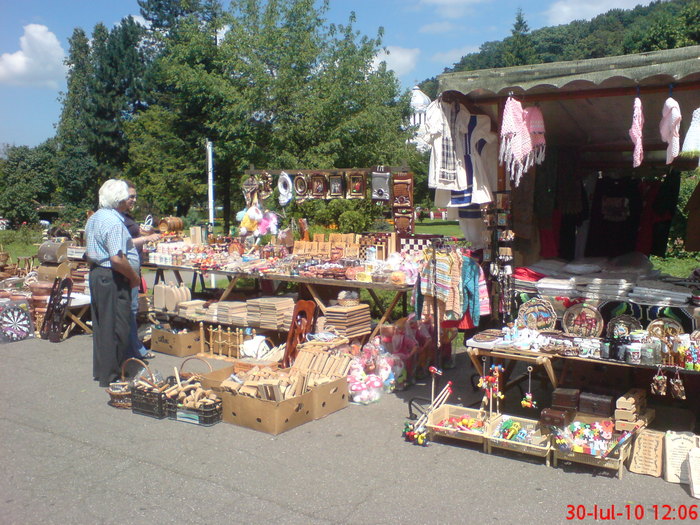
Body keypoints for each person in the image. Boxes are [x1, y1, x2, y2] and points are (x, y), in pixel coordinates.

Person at [86, 179, 141, 387]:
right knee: (117, 325)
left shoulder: (96, 217)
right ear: (118, 198)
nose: (130, 200)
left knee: (102, 325)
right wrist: (134, 278)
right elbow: (117, 259)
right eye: (127, 196)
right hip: (112, 277)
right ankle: (113, 374)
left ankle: (103, 370)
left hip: (99, 274)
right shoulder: (113, 221)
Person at [123, 181, 160, 360]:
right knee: (130, 310)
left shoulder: (126, 217)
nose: (134, 199)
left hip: (133, 268)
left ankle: (134, 347)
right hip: (127, 270)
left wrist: (144, 233)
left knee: (132, 309)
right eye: (131, 196)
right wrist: (148, 238)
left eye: (135, 196)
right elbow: (125, 243)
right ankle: (134, 350)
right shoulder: (118, 218)